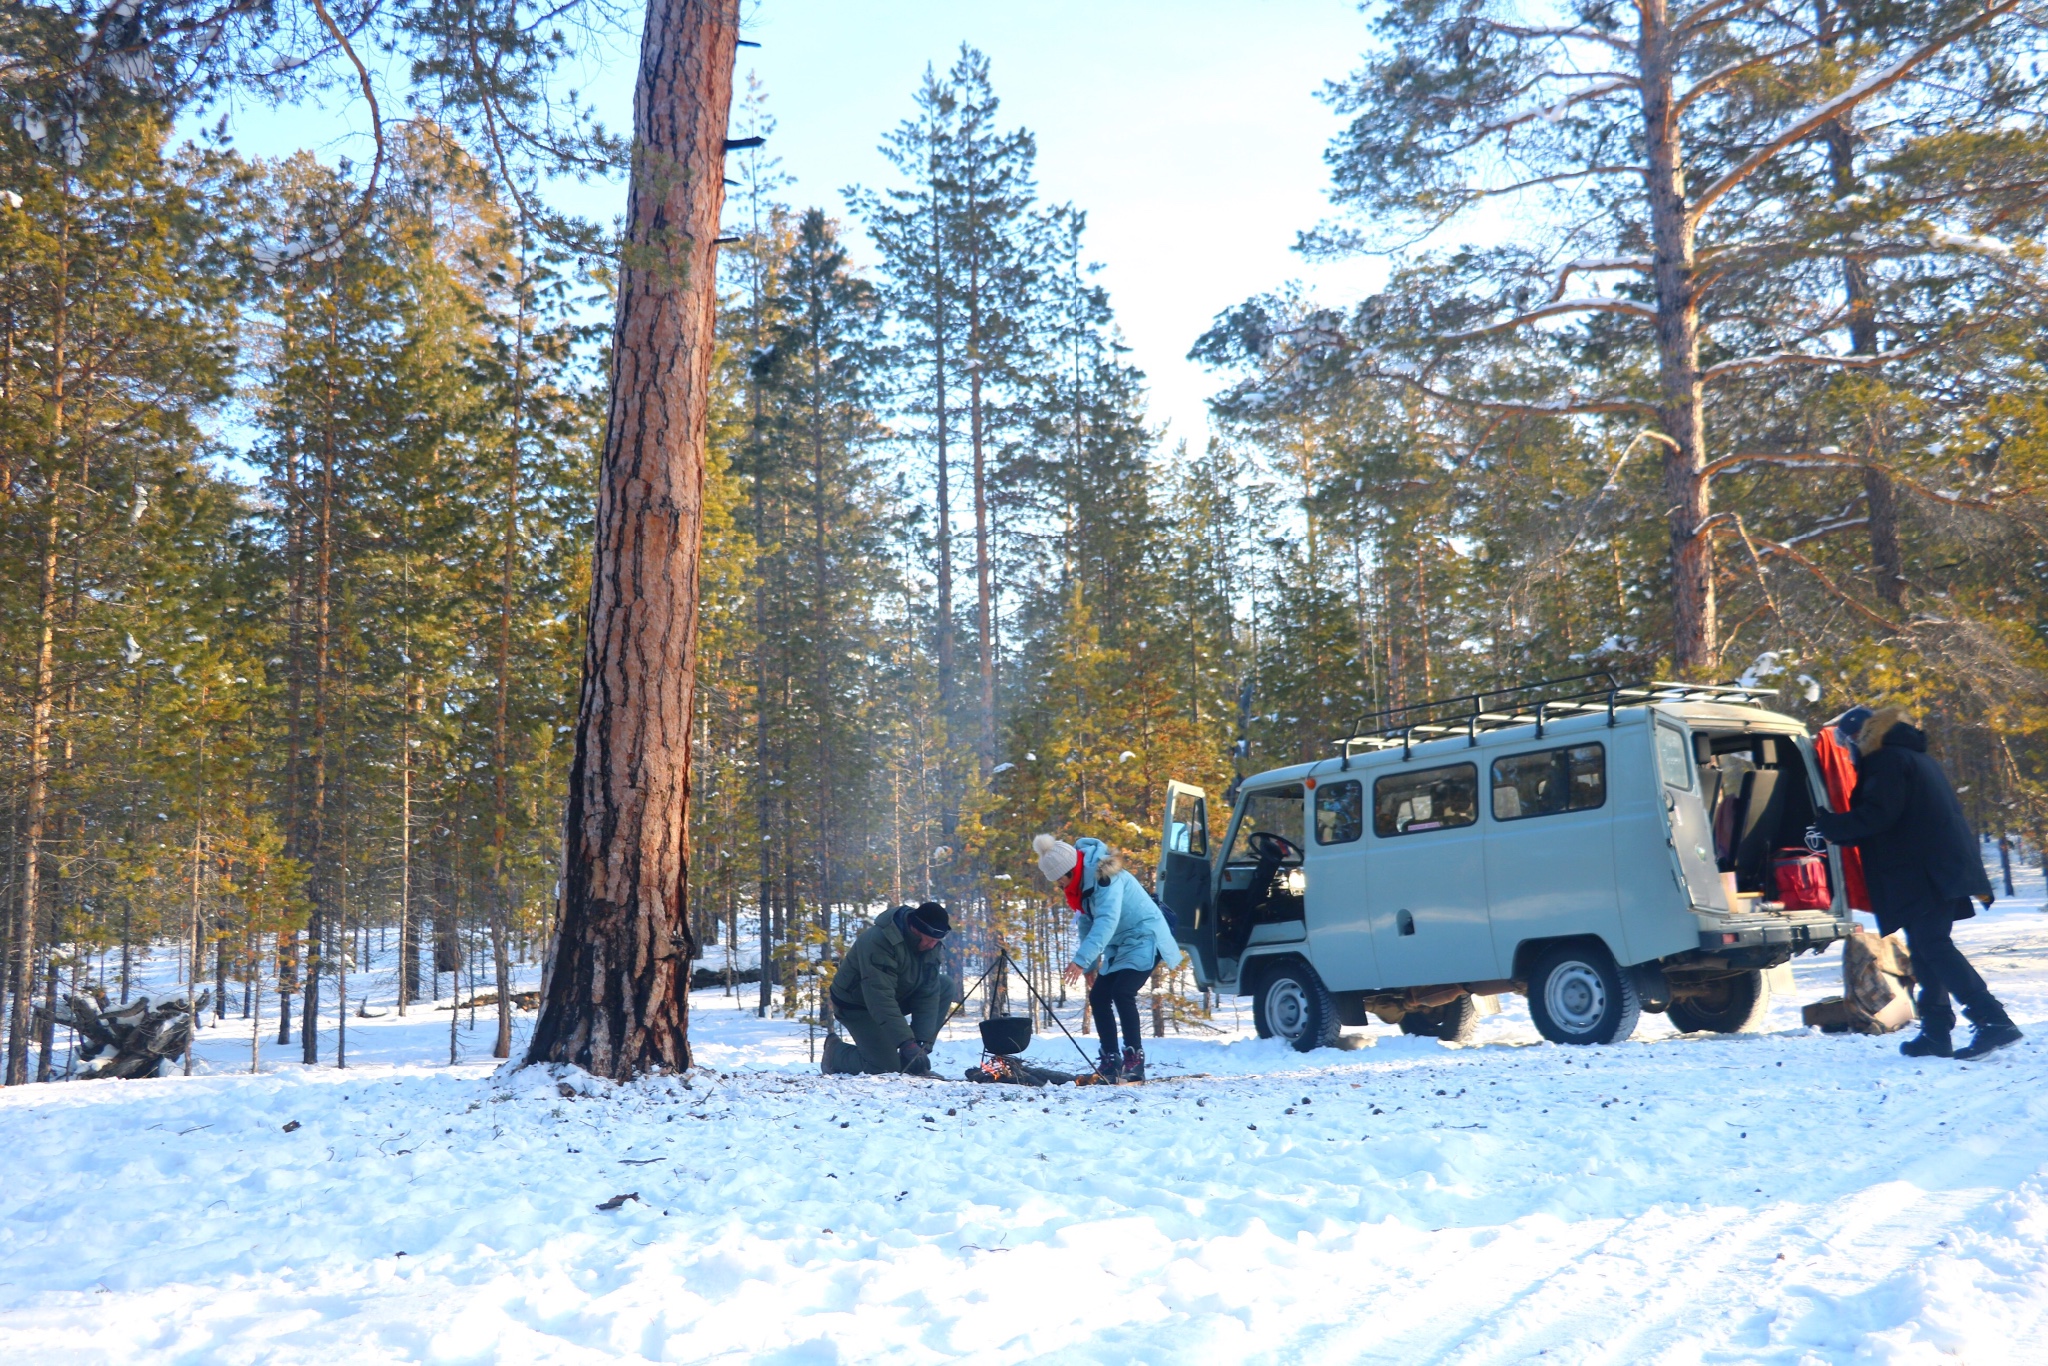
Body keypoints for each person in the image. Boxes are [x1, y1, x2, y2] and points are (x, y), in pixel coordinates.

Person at [1813, 706, 2022, 1061]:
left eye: (1848, 742)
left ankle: (1992, 1019)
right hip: (1931, 868)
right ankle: (1936, 1031)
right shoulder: (1909, 756)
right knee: (1926, 948)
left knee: (1933, 946)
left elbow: (1879, 815)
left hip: (1922, 871)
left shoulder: (1886, 760)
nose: (1847, 750)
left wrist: (1831, 826)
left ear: (1861, 736)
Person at [1033, 834, 1185, 1082]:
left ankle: (1134, 1061)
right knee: (1099, 995)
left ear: (1070, 870)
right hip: (1121, 944)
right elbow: (1086, 921)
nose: (1058, 885)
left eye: (1058, 879)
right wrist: (1090, 965)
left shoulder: (1105, 879)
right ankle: (1110, 1061)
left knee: (1123, 992)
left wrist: (1081, 960)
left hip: (1145, 936)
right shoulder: (1083, 885)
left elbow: (1106, 921)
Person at [822, 902, 950, 1076]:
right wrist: (906, 1042)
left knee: (944, 985)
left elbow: (928, 993)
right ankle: (835, 1053)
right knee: (885, 1068)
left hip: (896, 994)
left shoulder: (929, 944)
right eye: (930, 939)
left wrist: (920, 1044)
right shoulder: (880, 941)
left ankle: (910, 1064)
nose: (932, 946)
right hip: (856, 1004)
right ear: (915, 928)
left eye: (937, 941)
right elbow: (879, 997)